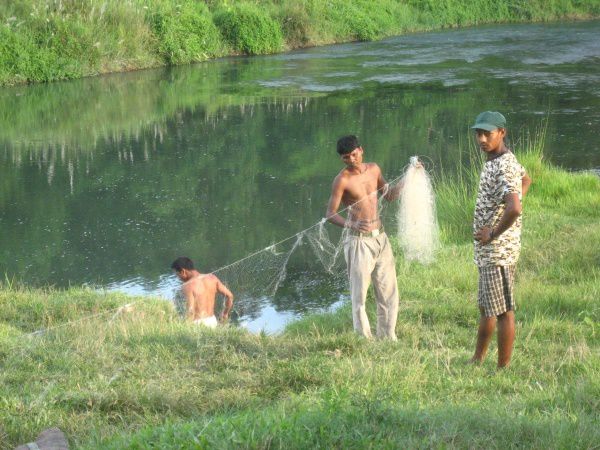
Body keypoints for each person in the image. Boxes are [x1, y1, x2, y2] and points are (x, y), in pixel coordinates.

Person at [470, 111, 532, 368]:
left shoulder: (504, 165)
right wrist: (503, 208)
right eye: (479, 134)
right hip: (489, 252)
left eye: (489, 134)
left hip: (499, 251)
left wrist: (494, 231)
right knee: (488, 307)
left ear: (502, 133)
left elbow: (515, 207)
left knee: (504, 311)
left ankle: (502, 367)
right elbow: (526, 179)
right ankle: (477, 359)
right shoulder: (497, 160)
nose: (482, 139)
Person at [326, 135, 403, 340]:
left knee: (388, 291)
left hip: (381, 239)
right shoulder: (342, 180)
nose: (351, 160)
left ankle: (387, 336)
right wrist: (351, 223)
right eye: (345, 157)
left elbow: (390, 195)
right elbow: (330, 214)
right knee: (359, 295)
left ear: (361, 150)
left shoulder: (374, 169)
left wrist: (409, 176)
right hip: (358, 241)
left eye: (353, 154)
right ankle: (364, 339)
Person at [171, 256, 234, 328]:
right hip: (212, 321)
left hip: (198, 324)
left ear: (183, 271)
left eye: (177, 274)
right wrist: (225, 314)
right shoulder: (212, 277)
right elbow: (230, 296)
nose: (178, 278)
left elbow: (190, 311)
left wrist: (186, 328)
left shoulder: (188, 286)